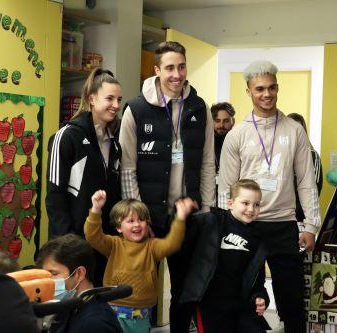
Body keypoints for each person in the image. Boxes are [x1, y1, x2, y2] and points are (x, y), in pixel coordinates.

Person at [218, 60, 321, 333]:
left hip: (284, 225)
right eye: (260, 89)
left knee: (292, 300)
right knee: (244, 295)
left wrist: (311, 225)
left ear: (278, 88)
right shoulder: (236, 135)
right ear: (248, 91)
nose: (267, 94)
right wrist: (224, 227)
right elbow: (226, 187)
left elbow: (307, 182)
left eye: (272, 88)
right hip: (246, 226)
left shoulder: (294, 131)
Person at [119, 41, 215, 331]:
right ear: (157, 70)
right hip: (148, 217)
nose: (177, 74)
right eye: (170, 67)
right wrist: (137, 218)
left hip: (186, 217)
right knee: (139, 289)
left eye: (182, 66)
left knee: (184, 291)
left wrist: (206, 209)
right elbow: (127, 169)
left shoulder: (200, 108)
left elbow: (209, 163)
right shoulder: (135, 109)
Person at [46, 68, 123, 285]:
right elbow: (54, 195)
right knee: (69, 306)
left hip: (103, 242)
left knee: (96, 303)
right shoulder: (67, 136)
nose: (116, 105)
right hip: (73, 244)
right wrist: (66, 243)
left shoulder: (114, 143)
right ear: (91, 99)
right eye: (109, 98)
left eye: (119, 99)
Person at [84, 190, 194, 333]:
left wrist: (180, 218)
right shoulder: (113, 244)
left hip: (141, 315)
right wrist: (96, 209)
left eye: (141, 220)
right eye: (130, 221)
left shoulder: (152, 246)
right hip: (113, 311)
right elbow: (92, 236)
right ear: (118, 227)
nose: (137, 224)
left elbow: (172, 244)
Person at [178, 179, 270, 333]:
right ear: (230, 203)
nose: (251, 209)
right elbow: (185, 235)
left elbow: (257, 278)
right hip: (209, 304)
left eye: (256, 204)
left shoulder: (257, 237)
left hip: (240, 304)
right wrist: (182, 217)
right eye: (245, 203)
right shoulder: (212, 221)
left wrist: (260, 296)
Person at [37, 234, 122, 333]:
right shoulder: (73, 306)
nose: (48, 281)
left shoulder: (95, 324)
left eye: (54, 274)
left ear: (79, 273)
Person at [287, 113, 323, 222]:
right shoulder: (280, 153)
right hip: (281, 213)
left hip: (301, 215)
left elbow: (315, 188)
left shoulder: (312, 155)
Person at [212, 102, 236, 174]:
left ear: (233, 121)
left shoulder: (238, 142)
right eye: (217, 121)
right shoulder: (204, 143)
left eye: (226, 121)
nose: (221, 125)